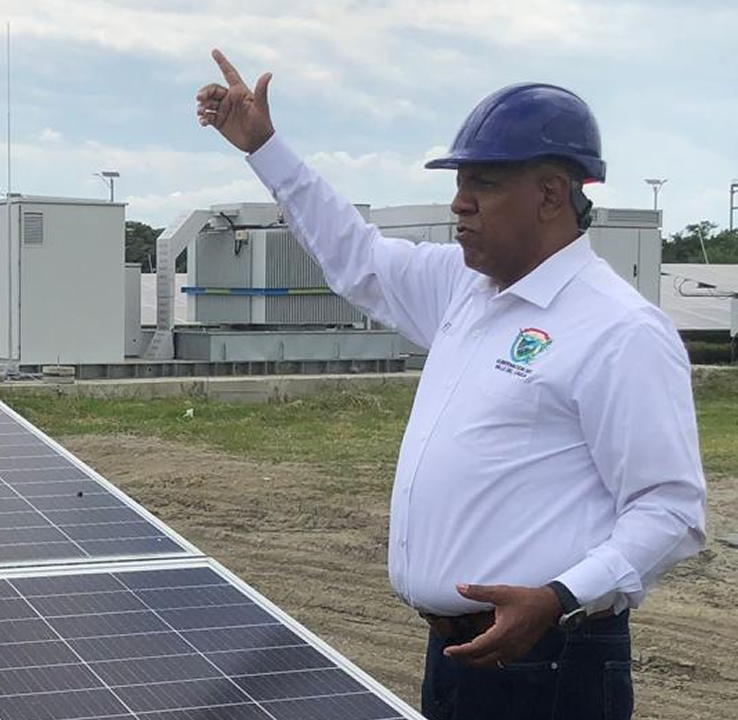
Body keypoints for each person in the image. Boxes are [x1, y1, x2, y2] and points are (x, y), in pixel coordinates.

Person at [196, 49, 706, 719]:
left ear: (551, 194)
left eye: (484, 183)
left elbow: (670, 507)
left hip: (550, 661)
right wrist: (265, 148)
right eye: (461, 181)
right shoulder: (466, 288)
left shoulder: (619, 329)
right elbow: (357, 255)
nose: (460, 202)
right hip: (458, 655)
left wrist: (558, 598)